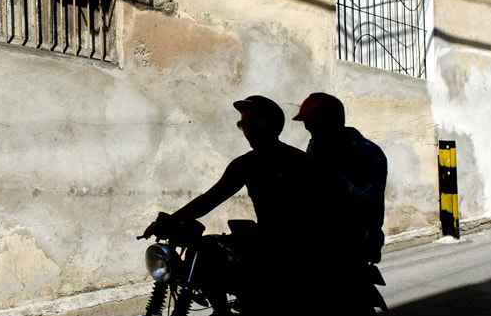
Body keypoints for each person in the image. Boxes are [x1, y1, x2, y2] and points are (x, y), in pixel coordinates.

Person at [149, 95, 314, 241]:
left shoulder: (297, 161)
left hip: (298, 246)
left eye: (254, 124)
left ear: (272, 125)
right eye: (243, 125)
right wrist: (169, 221)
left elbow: (311, 209)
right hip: (264, 242)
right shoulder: (245, 164)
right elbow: (208, 200)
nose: (247, 131)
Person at [293, 92, 386, 264]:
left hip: (353, 247)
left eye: (315, 127)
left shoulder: (367, 152)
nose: (311, 134)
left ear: (331, 122)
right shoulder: (316, 145)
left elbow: (372, 211)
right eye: (308, 128)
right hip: (319, 243)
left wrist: (334, 178)